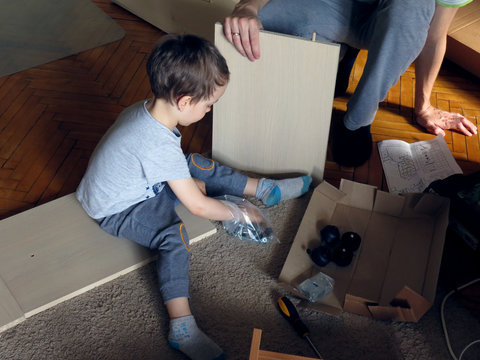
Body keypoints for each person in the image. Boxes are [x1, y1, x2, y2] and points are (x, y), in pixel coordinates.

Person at [75, 34, 311, 360]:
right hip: (117, 208)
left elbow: (170, 169)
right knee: (175, 235)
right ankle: (182, 329)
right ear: (185, 102)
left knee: (195, 164)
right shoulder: (155, 144)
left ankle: (264, 190)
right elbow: (197, 207)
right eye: (210, 104)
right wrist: (239, 214)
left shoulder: (148, 111)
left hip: (138, 184)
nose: (210, 110)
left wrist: (187, 183)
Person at [223, 0, 478, 167]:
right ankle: (341, 51)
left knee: (415, 8)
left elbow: (433, 37)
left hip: (391, 20)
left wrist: (424, 107)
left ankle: (358, 120)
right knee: (263, 17)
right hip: (335, 6)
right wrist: (250, 6)